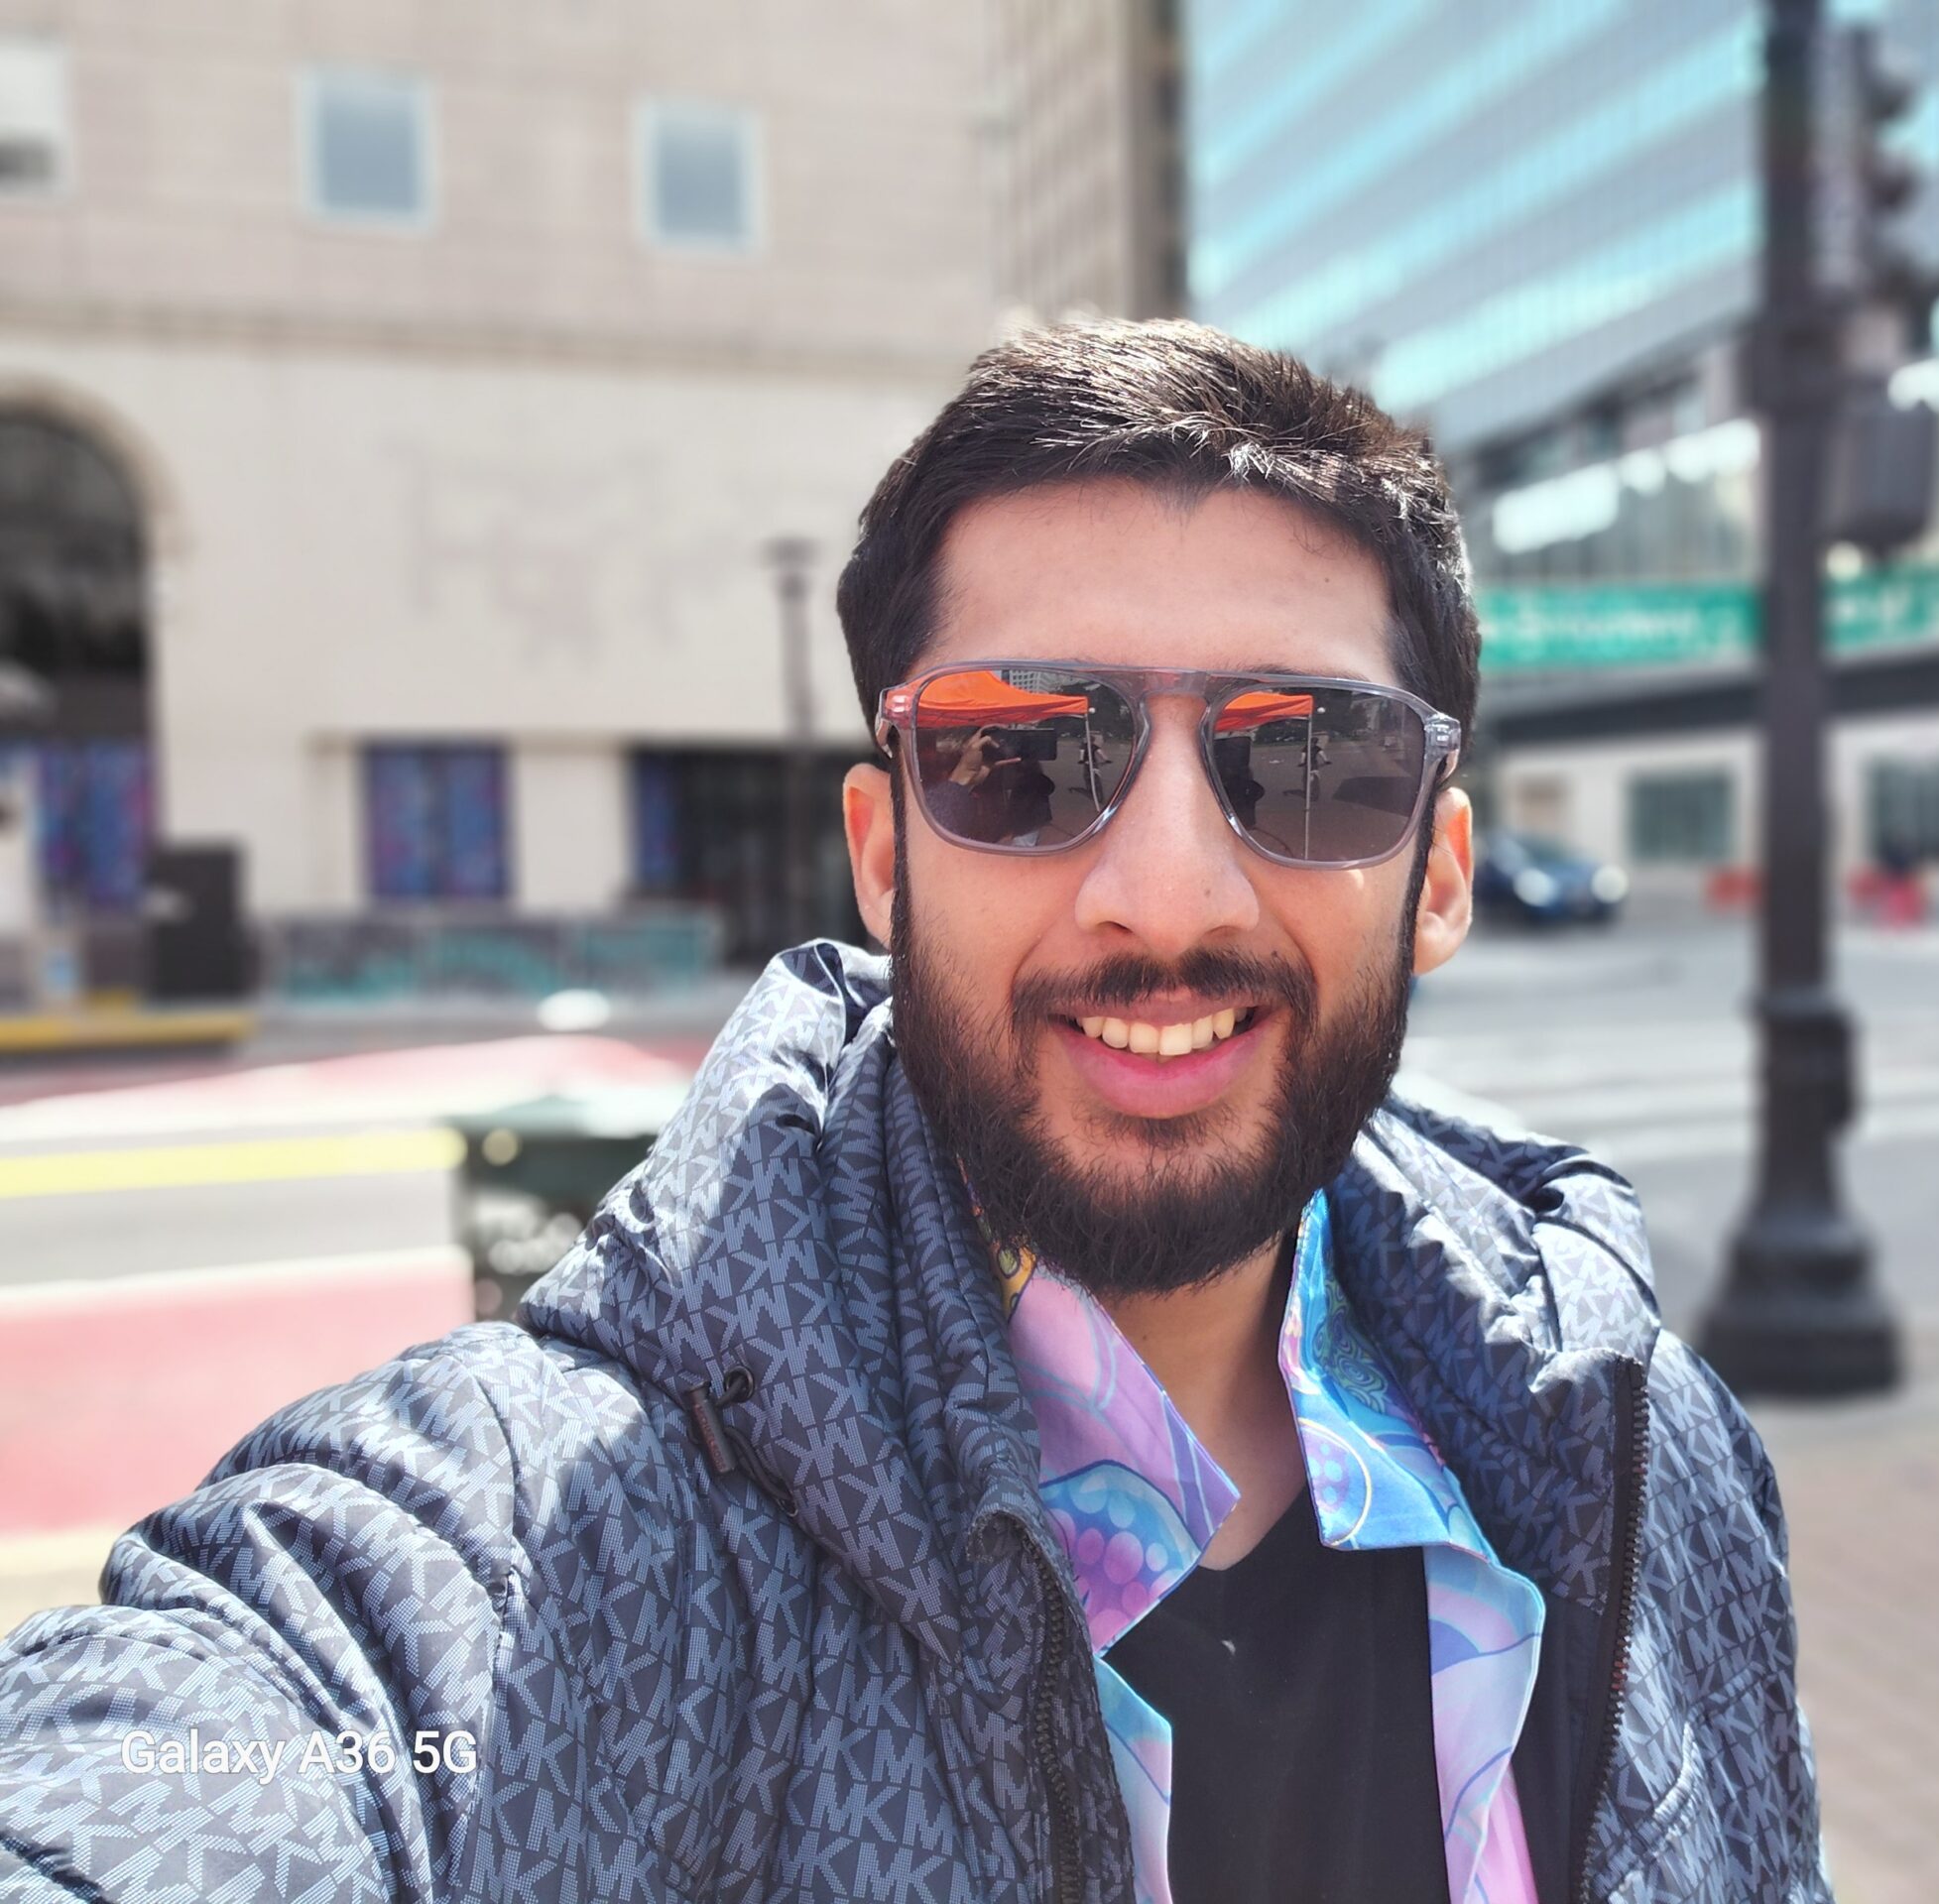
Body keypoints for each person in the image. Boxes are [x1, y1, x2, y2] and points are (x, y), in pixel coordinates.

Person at [0, 322, 1832, 1903]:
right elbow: (231, 1739)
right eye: (1020, 760)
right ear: (884, 857)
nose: (1165, 894)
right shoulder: (555, 1537)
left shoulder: (1643, 1449)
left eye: (1311, 760)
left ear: (1440, 872)